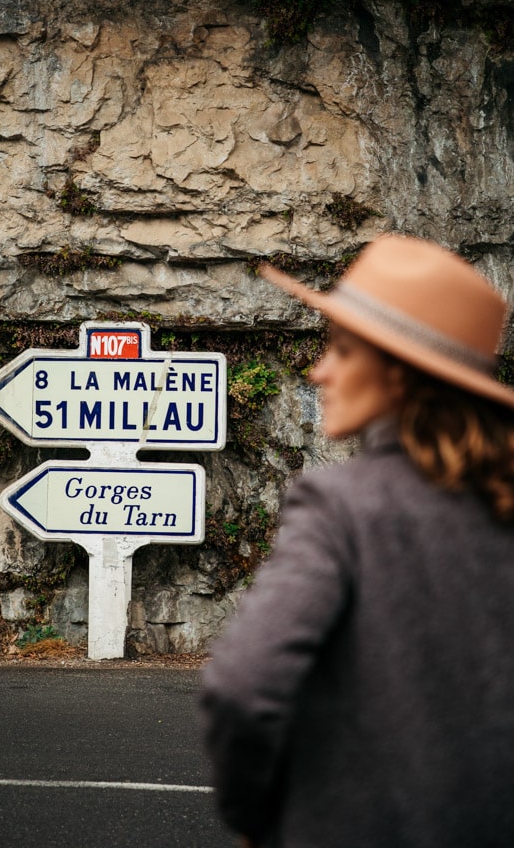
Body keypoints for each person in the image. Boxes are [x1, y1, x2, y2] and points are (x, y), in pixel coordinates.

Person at [199, 234, 514, 848]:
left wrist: (255, 816)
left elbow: (241, 686)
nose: (319, 370)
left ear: (398, 375)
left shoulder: (341, 505)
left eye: (342, 349)